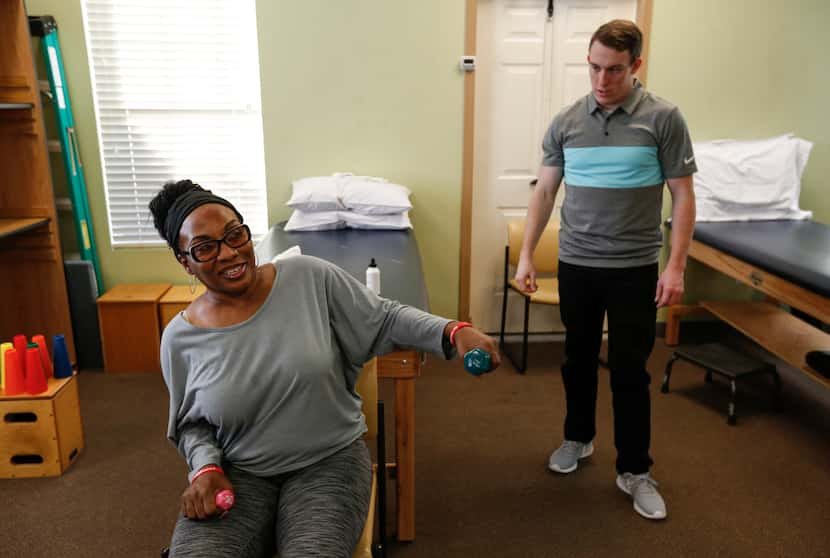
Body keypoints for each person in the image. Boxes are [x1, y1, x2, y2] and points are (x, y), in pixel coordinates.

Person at [149, 179, 500, 557]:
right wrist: (204, 469)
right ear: (184, 260)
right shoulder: (180, 339)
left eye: (235, 234)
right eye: (205, 247)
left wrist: (452, 331)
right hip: (240, 473)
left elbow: (383, 318)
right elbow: (192, 424)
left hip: (327, 461)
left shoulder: (307, 277)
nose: (230, 253)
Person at [515, 19, 696, 520]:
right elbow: (546, 191)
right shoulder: (568, 121)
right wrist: (528, 254)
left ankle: (635, 470)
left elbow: (683, 194)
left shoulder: (663, 118)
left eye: (613, 69)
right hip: (577, 263)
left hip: (635, 267)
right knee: (576, 360)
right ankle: (578, 438)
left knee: (630, 371)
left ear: (635, 65)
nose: (601, 79)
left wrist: (675, 266)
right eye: (594, 67)